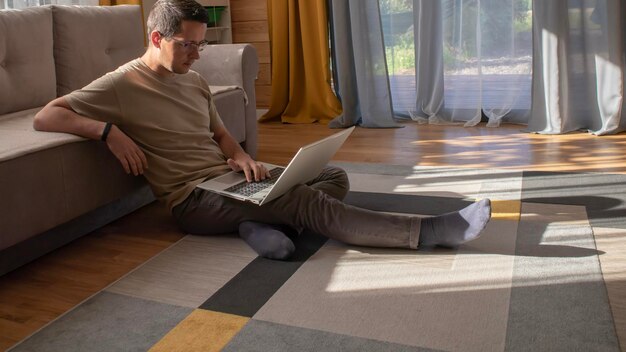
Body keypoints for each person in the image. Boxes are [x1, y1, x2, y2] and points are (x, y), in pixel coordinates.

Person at [33, 0, 492, 260]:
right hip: (193, 200)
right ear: (157, 38)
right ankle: (425, 232)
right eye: (188, 45)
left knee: (333, 177)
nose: (197, 55)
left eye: (202, 44)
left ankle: (257, 223)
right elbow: (46, 115)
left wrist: (244, 159)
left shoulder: (193, 82)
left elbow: (221, 138)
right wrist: (108, 131)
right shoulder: (122, 83)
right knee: (304, 198)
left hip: (230, 181)